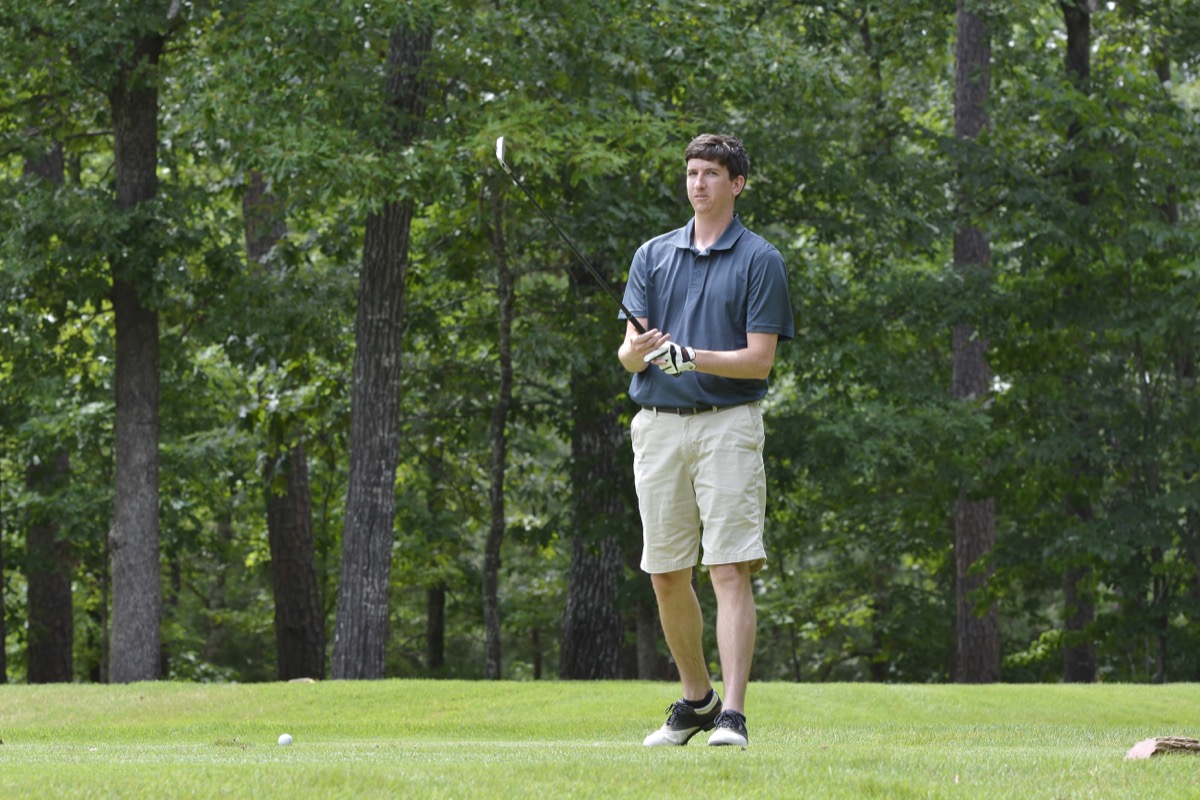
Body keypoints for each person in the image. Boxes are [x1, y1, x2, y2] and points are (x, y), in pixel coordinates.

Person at [617, 133, 793, 748]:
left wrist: (691, 357)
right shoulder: (652, 254)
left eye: (712, 173)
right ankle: (697, 700)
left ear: (736, 184)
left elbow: (760, 360)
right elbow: (627, 355)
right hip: (658, 426)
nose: (699, 183)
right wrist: (640, 352)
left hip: (728, 424)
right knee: (666, 572)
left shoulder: (760, 259)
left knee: (728, 567)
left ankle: (733, 715)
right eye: (692, 173)